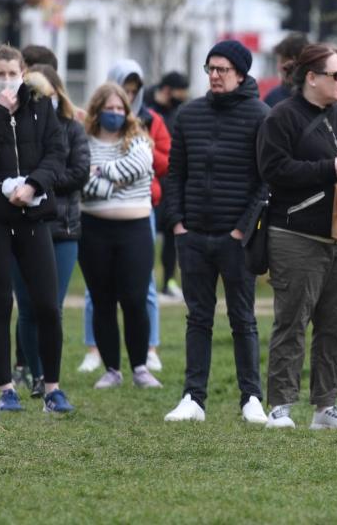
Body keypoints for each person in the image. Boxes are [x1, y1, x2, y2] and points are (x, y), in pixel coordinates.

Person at [256, 43, 337, 430]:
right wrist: (326, 168)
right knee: (292, 322)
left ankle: (326, 407)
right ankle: (280, 406)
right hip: (297, 234)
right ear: (311, 78)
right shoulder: (281, 118)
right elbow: (273, 169)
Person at [0, 44, 73, 413]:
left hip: (33, 214)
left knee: (46, 304)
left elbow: (57, 153)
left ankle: (52, 387)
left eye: (12, 72)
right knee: (0, 300)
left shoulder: (41, 105)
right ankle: (6, 387)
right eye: (0, 73)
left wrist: (34, 184)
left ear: (24, 71)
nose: (7, 80)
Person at [162, 40, 270, 424]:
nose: (215, 75)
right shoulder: (189, 115)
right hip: (193, 235)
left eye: (223, 69)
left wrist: (242, 231)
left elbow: (264, 182)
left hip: (236, 239)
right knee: (198, 318)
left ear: (240, 73)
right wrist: (177, 223)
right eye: (210, 68)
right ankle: (193, 397)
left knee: (243, 317)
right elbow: (175, 174)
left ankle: (251, 397)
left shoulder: (260, 115)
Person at [78, 61, 170, 373]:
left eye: (121, 106)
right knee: (102, 301)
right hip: (94, 230)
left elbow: (141, 167)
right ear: (96, 109)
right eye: (109, 106)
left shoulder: (140, 140)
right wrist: (113, 183)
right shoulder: (83, 143)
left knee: (135, 299)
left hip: (135, 230)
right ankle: (112, 370)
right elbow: (80, 182)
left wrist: (101, 172)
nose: (116, 111)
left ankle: (141, 367)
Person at [9, 65, 89, 399]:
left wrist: (40, 182)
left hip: (62, 227)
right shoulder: (14, 128)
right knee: (27, 307)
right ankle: (37, 374)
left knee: (51, 307)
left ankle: (50, 374)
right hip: (23, 225)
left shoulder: (71, 128)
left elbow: (79, 171)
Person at [145, 71, 190, 300]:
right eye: (181, 92)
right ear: (167, 89)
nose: (184, 96)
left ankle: (169, 282)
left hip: (171, 182)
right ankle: (147, 279)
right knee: (148, 235)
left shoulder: (178, 112)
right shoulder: (144, 107)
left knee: (173, 233)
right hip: (149, 183)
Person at [264, 33, 310, 107]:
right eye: (280, 61)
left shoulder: (318, 97)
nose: (281, 67)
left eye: (285, 61)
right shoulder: (273, 98)